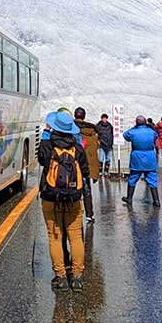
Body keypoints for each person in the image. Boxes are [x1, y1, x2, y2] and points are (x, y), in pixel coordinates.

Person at [38, 110, 91, 292]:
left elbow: (41, 160)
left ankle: (60, 277)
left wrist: (46, 133)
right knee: (75, 237)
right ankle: (77, 278)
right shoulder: (77, 147)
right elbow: (85, 171)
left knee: (55, 236)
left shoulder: (47, 145)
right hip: (73, 199)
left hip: (50, 197)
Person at [121, 115, 160, 207]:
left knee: (133, 178)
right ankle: (156, 200)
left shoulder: (133, 132)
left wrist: (134, 127)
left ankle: (129, 198)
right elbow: (156, 136)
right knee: (152, 179)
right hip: (150, 156)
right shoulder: (151, 132)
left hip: (137, 157)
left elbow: (125, 135)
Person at [72, 108, 99, 223]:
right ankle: (89, 214)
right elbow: (94, 151)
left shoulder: (70, 129)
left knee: (72, 188)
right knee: (86, 190)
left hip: (72, 165)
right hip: (85, 166)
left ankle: (73, 213)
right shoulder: (91, 132)